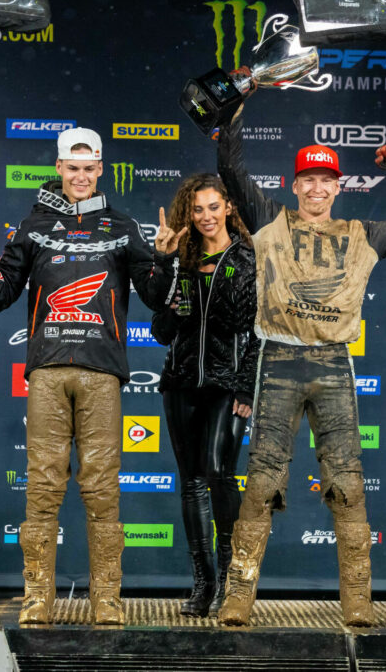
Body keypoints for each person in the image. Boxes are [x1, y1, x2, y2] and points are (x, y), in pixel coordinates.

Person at [215, 101, 386, 626]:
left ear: (339, 187)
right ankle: (238, 600)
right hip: (278, 363)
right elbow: (232, 170)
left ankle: (358, 603)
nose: (317, 189)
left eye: (326, 181)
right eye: (308, 180)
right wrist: (236, 113)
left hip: (333, 366)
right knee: (262, 480)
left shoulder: (364, 235)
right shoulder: (268, 220)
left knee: (348, 481)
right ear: (295, 185)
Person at [0, 128, 157, 625]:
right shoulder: (32, 226)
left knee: (102, 486)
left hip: (102, 372)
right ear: (60, 170)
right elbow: (1, 294)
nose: (81, 176)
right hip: (46, 373)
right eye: (73, 168)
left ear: (101, 170)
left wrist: (168, 254)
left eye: (90, 169)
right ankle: (37, 598)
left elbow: (155, 294)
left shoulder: (123, 226)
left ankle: (106, 599)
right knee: (43, 487)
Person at [147, 173, 259, 617]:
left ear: (229, 207)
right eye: (197, 210)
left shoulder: (248, 258)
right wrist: (166, 261)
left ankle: (232, 579)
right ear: (187, 215)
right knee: (191, 481)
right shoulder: (182, 258)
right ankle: (203, 582)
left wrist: (247, 383)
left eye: (214, 207)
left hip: (227, 384)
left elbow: (260, 332)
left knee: (218, 472)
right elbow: (159, 329)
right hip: (180, 383)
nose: (206, 217)